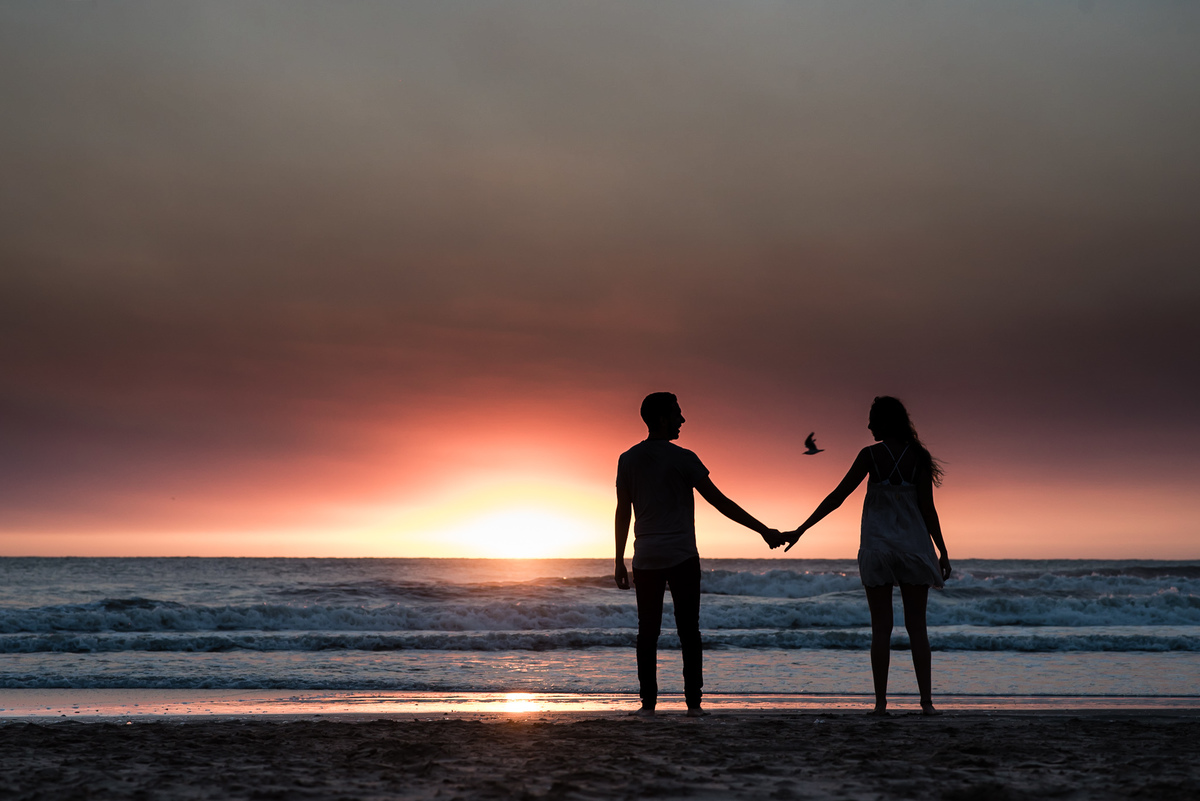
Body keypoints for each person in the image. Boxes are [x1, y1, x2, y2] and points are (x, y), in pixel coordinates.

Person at [780, 396, 951, 715]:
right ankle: (926, 703)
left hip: (878, 548)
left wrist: (801, 529)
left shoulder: (871, 455)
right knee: (918, 627)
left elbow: (838, 496)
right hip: (914, 548)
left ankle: (881, 704)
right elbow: (927, 509)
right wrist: (942, 550)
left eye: (873, 420)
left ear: (887, 422)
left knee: (881, 628)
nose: (869, 425)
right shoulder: (919, 457)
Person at [615, 392, 781, 717]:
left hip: (645, 557)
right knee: (688, 630)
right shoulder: (684, 458)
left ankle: (647, 705)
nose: (682, 419)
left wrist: (619, 559)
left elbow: (623, 511)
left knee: (647, 630)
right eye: (677, 414)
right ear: (662, 419)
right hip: (681, 557)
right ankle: (694, 705)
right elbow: (721, 502)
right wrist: (763, 530)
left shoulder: (628, 458)